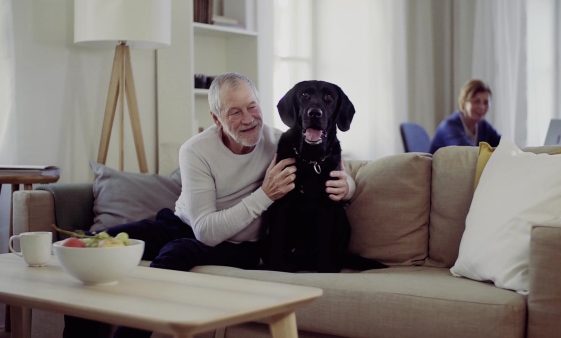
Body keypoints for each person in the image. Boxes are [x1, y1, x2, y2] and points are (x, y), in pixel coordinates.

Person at [63, 72, 355, 338]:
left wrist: (348, 186)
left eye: (252, 107)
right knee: (97, 243)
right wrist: (265, 194)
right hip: (189, 224)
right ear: (217, 119)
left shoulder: (281, 143)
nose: (249, 119)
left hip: (243, 245)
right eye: (235, 112)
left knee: (176, 252)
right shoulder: (196, 150)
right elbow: (204, 230)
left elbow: (333, 168)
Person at [429, 79, 501, 154]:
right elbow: (467, 154)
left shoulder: (484, 126)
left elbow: (504, 146)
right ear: (463, 103)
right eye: (476, 101)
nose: (482, 107)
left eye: (486, 102)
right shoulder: (449, 126)